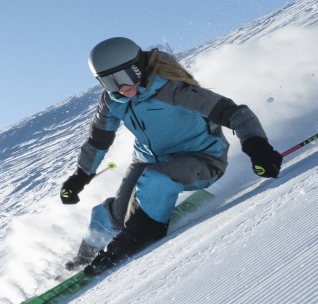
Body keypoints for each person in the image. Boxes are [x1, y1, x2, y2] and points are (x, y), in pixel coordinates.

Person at [60, 37, 281, 277]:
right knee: (112, 215)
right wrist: (79, 178)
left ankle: (140, 234)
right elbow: (97, 141)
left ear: (139, 66)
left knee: (155, 180)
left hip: (202, 159)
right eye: (109, 81)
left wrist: (258, 148)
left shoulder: (172, 89)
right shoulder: (113, 100)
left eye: (127, 75)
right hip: (148, 162)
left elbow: (235, 114)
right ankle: (82, 261)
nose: (122, 87)